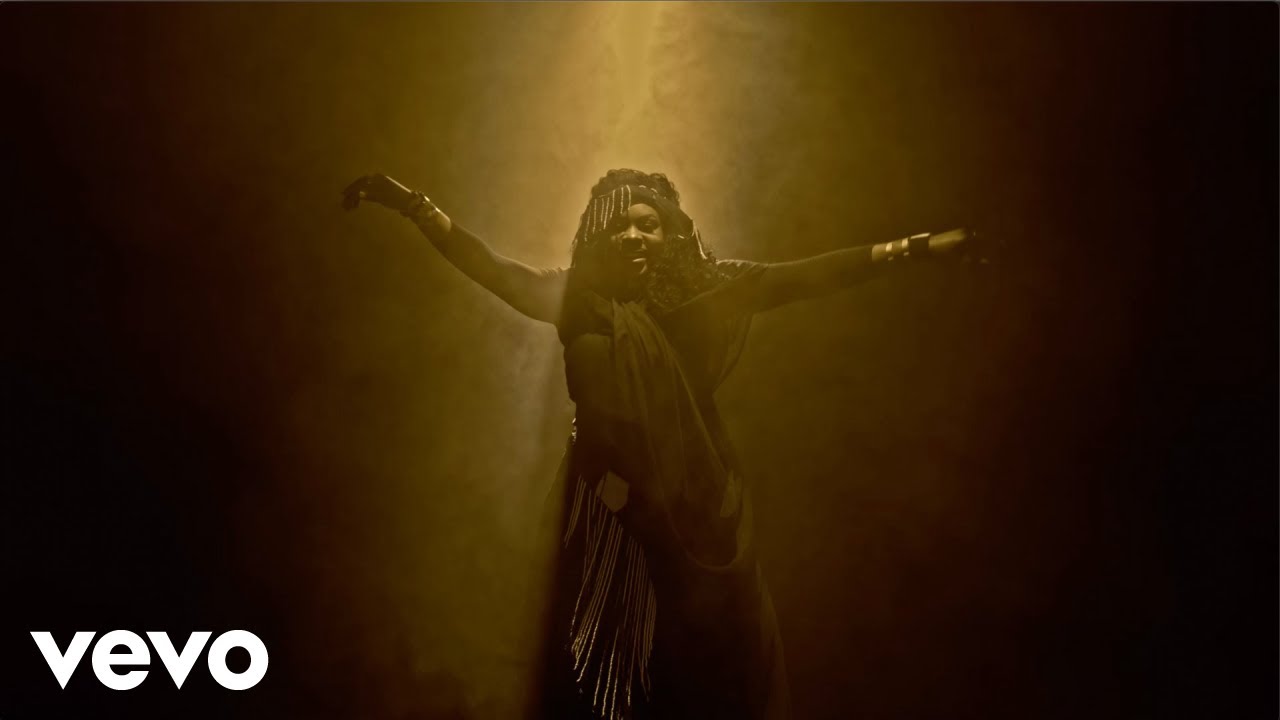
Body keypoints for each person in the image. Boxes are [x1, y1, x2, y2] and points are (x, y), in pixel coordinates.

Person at [341, 169, 986, 719]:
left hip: (694, 504)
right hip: (605, 505)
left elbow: (809, 276)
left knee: (701, 664)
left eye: (647, 224)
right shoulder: (575, 300)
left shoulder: (709, 292)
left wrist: (919, 247)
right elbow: (488, 266)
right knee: (601, 674)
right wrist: (412, 204)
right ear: (597, 236)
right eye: (618, 226)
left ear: (671, 232)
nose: (632, 235)